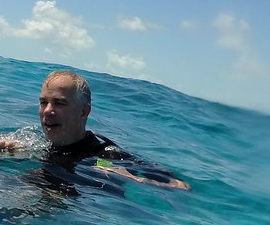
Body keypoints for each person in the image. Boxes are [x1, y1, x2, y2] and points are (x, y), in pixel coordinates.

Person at [29, 69, 190, 190]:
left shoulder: (107, 156)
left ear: (83, 111)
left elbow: (181, 186)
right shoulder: (39, 144)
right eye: (43, 102)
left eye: (59, 103)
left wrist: (134, 179)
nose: (47, 111)